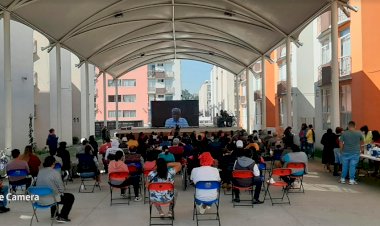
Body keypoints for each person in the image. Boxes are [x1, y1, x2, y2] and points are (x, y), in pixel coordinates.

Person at [36, 156, 75, 222]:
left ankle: (54, 214)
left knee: (52, 192)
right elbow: (61, 189)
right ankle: (63, 216)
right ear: (53, 163)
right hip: (51, 199)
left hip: (40, 199)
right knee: (70, 197)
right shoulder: (55, 172)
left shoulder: (40, 172)